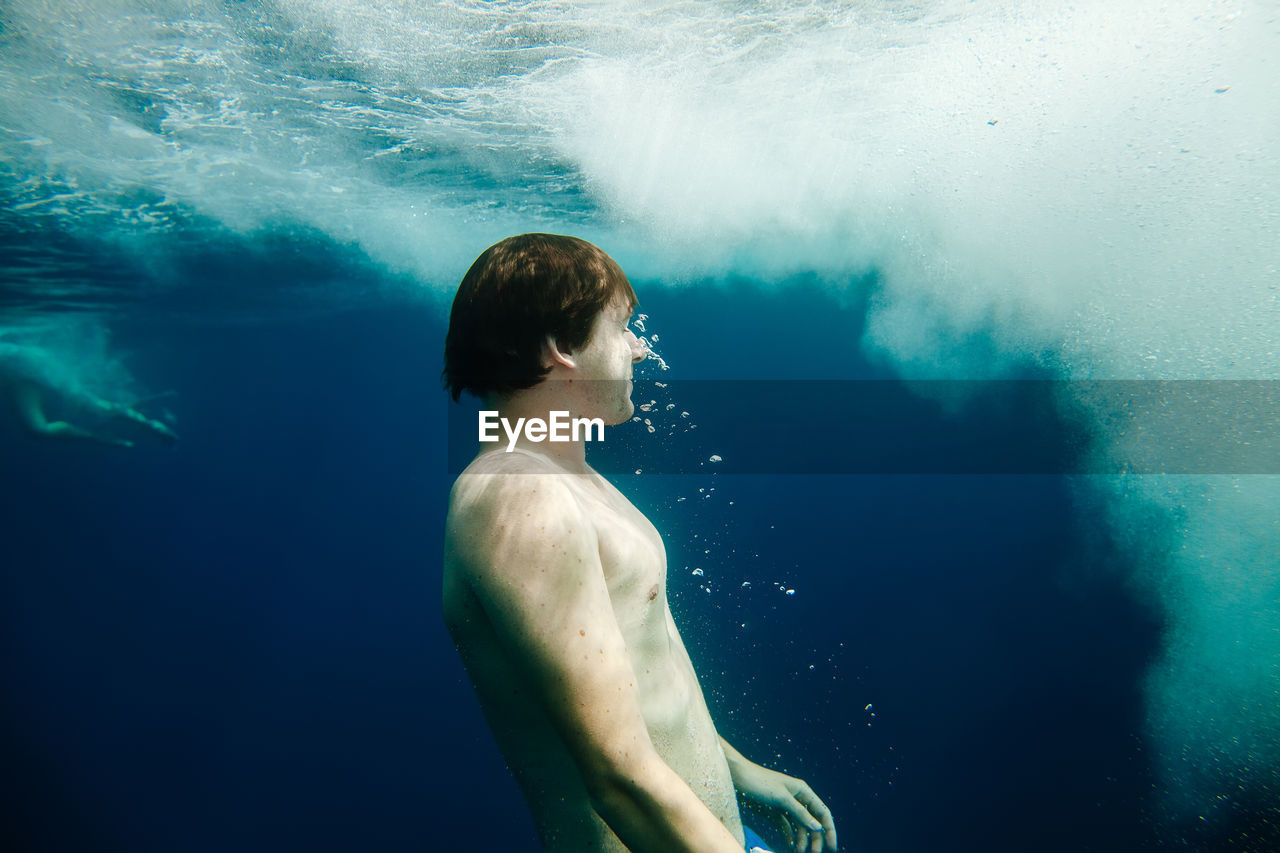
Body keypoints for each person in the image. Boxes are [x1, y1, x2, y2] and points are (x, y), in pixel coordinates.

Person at [441, 234, 838, 853]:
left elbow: (634, 679)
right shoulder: (518, 496)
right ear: (560, 348)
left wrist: (735, 770)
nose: (640, 346)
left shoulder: (566, 479)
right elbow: (616, 776)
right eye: (621, 326)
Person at [1, 339, 177, 448]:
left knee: (93, 407)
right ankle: (108, 436)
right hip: (25, 363)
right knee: (94, 406)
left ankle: (105, 437)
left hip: (23, 367)